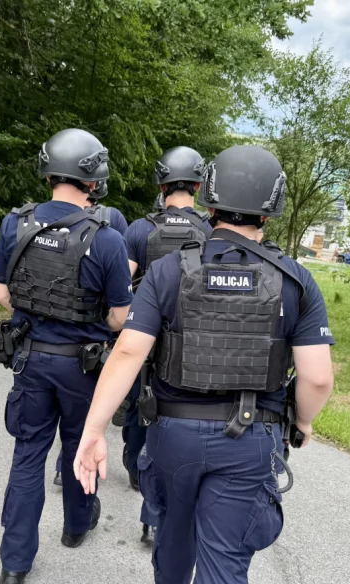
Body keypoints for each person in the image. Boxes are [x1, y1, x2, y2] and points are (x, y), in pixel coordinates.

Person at [73, 145, 335, 584]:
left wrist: (93, 430)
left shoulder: (171, 269)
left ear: (209, 200)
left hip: (173, 434)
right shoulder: (296, 280)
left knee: (174, 523)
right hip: (250, 437)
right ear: (271, 208)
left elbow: (128, 352)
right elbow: (317, 377)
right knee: (224, 567)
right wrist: (302, 423)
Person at [0, 128, 133, 584]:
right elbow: (118, 318)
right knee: (79, 446)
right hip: (83, 367)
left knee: (28, 454)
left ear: (48, 170)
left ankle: (14, 565)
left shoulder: (16, 224)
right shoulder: (107, 239)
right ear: (93, 179)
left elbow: (2, 294)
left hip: (30, 360)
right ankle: (76, 526)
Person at [120, 147, 213, 543]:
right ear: (198, 185)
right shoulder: (211, 232)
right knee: (170, 414)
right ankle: (153, 519)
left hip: (144, 336)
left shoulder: (140, 230)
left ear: (162, 185)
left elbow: (124, 288)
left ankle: (133, 466)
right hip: (189, 341)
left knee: (139, 405)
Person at [53, 177, 128, 486]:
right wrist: (103, 328)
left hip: (37, 348)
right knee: (80, 425)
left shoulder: (35, 222)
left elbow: (5, 295)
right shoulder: (112, 225)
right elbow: (120, 309)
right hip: (88, 348)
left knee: (30, 447)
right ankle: (78, 518)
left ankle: (62, 469)